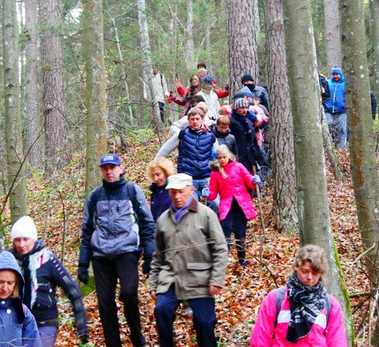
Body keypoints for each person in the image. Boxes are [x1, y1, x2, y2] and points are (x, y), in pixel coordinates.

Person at [78, 153, 154, 347]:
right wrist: (83, 263)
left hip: (127, 251)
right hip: (101, 256)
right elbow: (87, 230)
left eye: (112, 168)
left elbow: (146, 222)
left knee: (129, 294)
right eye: (105, 169)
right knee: (105, 304)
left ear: (121, 168)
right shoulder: (95, 196)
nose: (109, 172)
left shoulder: (132, 191)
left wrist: (149, 256)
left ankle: (138, 339)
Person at [148, 173, 228, 347]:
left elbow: (220, 248)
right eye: (173, 192)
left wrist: (216, 279)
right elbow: (158, 256)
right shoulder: (163, 220)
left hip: (199, 278)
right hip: (171, 278)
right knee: (161, 310)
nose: (177, 196)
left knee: (205, 323)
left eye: (181, 192)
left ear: (191, 190)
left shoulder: (206, 215)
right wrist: (153, 284)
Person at [10, 216, 88, 346]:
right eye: (17, 240)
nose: (22, 244)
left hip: (45, 321)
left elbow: (73, 291)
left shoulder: (48, 260)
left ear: (33, 239)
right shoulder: (9, 262)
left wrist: (81, 325)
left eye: (25, 239)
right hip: (16, 322)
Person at [250, 244, 347, 347]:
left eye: (314, 273)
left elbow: (337, 342)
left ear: (321, 273)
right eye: (305, 271)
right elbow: (260, 340)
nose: (309, 277)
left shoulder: (330, 305)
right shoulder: (275, 299)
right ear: (297, 268)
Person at [205, 145, 261, 266]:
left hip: (241, 204)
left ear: (229, 156)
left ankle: (242, 259)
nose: (222, 160)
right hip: (227, 205)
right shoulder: (215, 173)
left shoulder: (238, 167)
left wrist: (254, 180)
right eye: (219, 158)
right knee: (226, 229)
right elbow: (213, 193)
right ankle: (224, 258)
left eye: (224, 157)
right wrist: (207, 194)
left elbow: (249, 181)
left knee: (240, 232)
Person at [156, 107, 218, 200]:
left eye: (197, 119)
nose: (195, 121)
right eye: (192, 119)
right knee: (191, 205)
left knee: (215, 205)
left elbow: (218, 155)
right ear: (188, 120)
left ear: (202, 119)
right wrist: (155, 165)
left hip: (206, 178)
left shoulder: (210, 136)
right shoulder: (182, 134)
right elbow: (165, 149)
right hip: (187, 178)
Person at [228, 98, 265, 173]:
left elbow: (253, 140)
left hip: (250, 157)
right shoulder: (231, 121)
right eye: (242, 108)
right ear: (236, 109)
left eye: (246, 107)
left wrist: (258, 155)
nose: (244, 110)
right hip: (238, 156)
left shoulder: (248, 121)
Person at [324, 65, 347, 148]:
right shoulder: (328, 83)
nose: (335, 76)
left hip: (342, 111)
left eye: (337, 74)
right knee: (328, 126)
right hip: (328, 109)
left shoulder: (345, 84)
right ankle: (329, 147)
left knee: (342, 129)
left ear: (340, 74)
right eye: (334, 74)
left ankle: (341, 148)